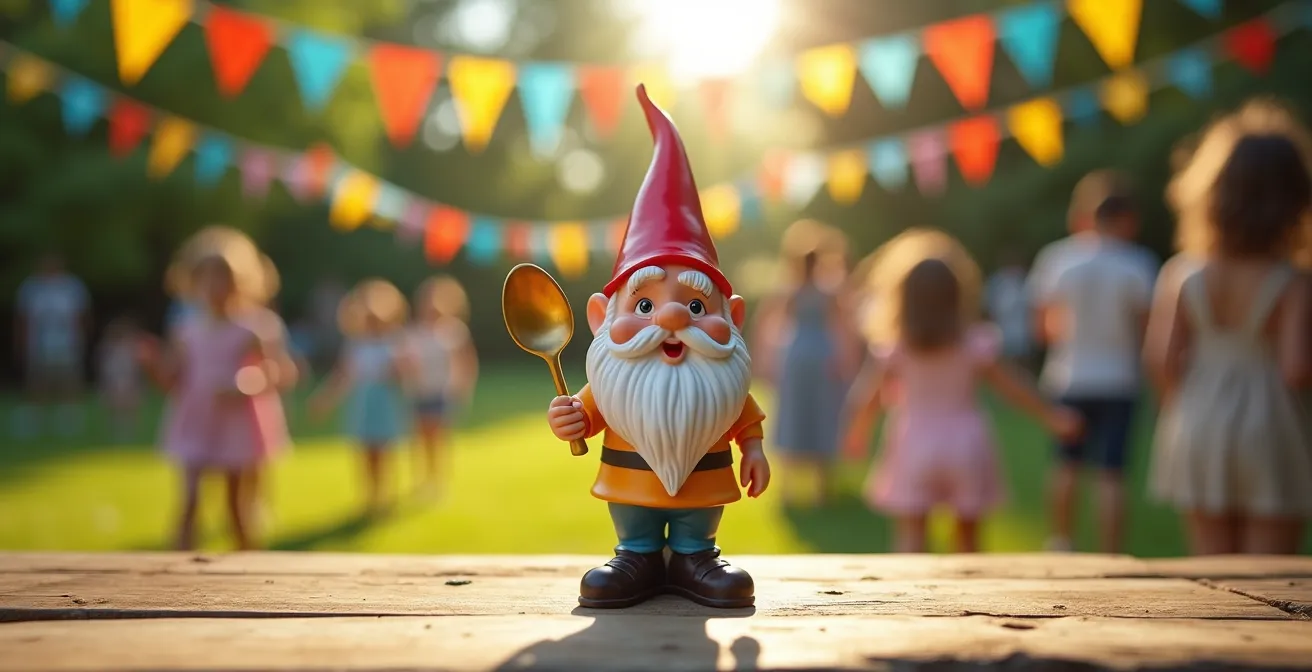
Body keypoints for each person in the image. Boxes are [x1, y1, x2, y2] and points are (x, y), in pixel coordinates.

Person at [545, 85, 770, 609]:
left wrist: (754, 449)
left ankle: (696, 555)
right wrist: (570, 418)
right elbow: (586, 413)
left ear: (732, 318)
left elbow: (746, 420)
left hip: (703, 491)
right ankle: (637, 554)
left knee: (699, 529)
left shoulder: (723, 386)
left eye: (696, 307)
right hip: (631, 491)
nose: (670, 317)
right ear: (602, 319)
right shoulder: (614, 381)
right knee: (634, 529)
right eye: (643, 306)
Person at [843, 229, 1082, 554]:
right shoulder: (975, 343)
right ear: (957, 294)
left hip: (912, 440)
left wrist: (857, 432)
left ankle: (904, 602)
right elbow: (1014, 388)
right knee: (967, 541)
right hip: (966, 442)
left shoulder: (895, 347)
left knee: (911, 537)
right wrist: (1051, 417)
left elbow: (866, 396)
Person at [1144, 98, 1312, 555]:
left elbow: (1161, 360)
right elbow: (1296, 368)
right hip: (1271, 424)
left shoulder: (1182, 273)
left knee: (1217, 576)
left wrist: (1186, 410)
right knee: (1275, 584)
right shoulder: (1292, 281)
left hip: (1197, 419)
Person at [1027, 171, 1158, 554]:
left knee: (1066, 464)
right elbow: (1146, 330)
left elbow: (1043, 328)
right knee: (1111, 471)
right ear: (1125, 218)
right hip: (1119, 378)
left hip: (1068, 375)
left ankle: (1062, 541)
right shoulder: (1137, 263)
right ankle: (1111, 552)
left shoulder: (1058, 258)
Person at [140, 247, 289, 551]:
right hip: (197, 420)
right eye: (208, 279)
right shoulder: (187, 331)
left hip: (234, 424)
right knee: (189, 502)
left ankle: (249, 568)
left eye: (224, 278)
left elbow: (278, 373)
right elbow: (172, 381)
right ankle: (178, 573)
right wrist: (152, 365)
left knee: (236, 506)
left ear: (240, 282)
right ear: (194, 285)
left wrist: (247, 385)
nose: (216, 286)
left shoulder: (251, 329)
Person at [310, 279, 410, 516]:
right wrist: (324, 399)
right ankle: (370, 495)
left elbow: (405, 374)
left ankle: (385, 494)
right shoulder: (355, 345)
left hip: (384, 403)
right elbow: (342, 376)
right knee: (365, 452)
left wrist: (397, 372)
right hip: (363, 404)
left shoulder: (394, 343)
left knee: (384, 451)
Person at [767, 248, 856, 506]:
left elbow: (777, 324)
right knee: (818, 413)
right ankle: (820, 487)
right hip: (818, 354)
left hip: (798, 354)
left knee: (799, 413)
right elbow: (839, 327)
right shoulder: (823, 292)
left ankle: (790, 487)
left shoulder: (793, 291)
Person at [401, 276, 479, 498]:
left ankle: (437, 480)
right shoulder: (414, 331)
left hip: (442, 392)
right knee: (420, 438)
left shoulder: (454, 331)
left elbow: (467, 362)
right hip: (418, 392)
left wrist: (463, 390)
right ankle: (423, 479)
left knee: (438, 438)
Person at [12, 254, 91, 440]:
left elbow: (82, 316)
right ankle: (34, 420)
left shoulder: (72, 287)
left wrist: (82, 340)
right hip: (38, 345)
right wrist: (22, 343)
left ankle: (68, 419)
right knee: (36, 382)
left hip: (67, 344)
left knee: (69, 381)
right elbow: (23, 319)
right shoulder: (31, 288)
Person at [984, 247, 1035, 372]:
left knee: (1022, 370)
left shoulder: (1025, 281)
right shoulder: (997, 282)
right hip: (1002, 335)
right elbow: (990, 310)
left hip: (1023, 334)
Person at [97, 316, 146, 442]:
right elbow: (105, 369)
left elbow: (135, 369)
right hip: (115, 381)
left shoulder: (130, 349)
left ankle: (128, 430)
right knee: (116, 408)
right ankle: (117, 430)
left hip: (128, 381)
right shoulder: (108, 350)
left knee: (129, 408)